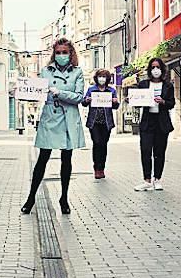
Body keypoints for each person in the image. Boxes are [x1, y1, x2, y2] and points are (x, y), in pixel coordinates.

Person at [21, 38, 85, 215]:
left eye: (65, 52)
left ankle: (64, 198)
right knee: (43, 158)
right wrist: (24, 92)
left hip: (68, 119)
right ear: (53, 54)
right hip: (50, 117)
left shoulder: (77, 72)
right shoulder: (45, 71)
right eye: (58, 52)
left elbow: (79, 96)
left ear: (71, 53)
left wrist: (60, 92)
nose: (61, 55)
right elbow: (38, 93)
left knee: (67, 159)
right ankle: (31, 197)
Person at [133, 58, 175, 191]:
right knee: (145, 150)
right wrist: (132, 99)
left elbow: (171, 103)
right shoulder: (144, 84)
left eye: (158, 67)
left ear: (162, 69)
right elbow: (138, 100)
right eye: (153, 67)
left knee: (159, 151)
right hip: (147, 121)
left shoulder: (168, 85)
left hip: (161, 122)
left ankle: (157, 179)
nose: (155, 70)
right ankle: (147, 180)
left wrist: (163, 101)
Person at [82, 69, 119, 179]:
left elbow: (116, 106)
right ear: (96, 78)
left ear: (107, 79)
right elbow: (83, 103)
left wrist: (115, 102)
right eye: (100, 76)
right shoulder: (91, 89)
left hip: (106, 122)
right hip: (94, 122)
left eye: (104, 77)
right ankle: (96, 168)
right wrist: (87, 100)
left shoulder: (111, 90)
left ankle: (102, 168)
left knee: (103, 144)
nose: (102, 79)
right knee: (97, 143)